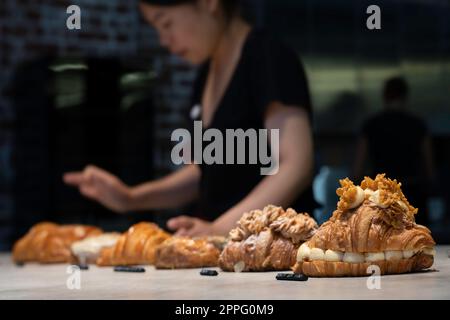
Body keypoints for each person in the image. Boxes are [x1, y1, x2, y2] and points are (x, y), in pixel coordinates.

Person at [64, 0, 317, 236]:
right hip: (226, 256)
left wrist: (220, 229)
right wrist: (130, 197)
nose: (164, 40)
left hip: (276, 252)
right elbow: (203, 170)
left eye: (166, 23)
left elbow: (296, 164)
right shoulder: (205, 74)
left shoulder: (268, 56)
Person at [352, 76, 435, 226]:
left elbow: (358, 167)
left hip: (381, 197)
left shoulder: (371, 125)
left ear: (384, 95)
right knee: (417, 240)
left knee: (381, 242)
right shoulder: (418, 125)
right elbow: (429, 167)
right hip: (413, 194)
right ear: (405, 96)